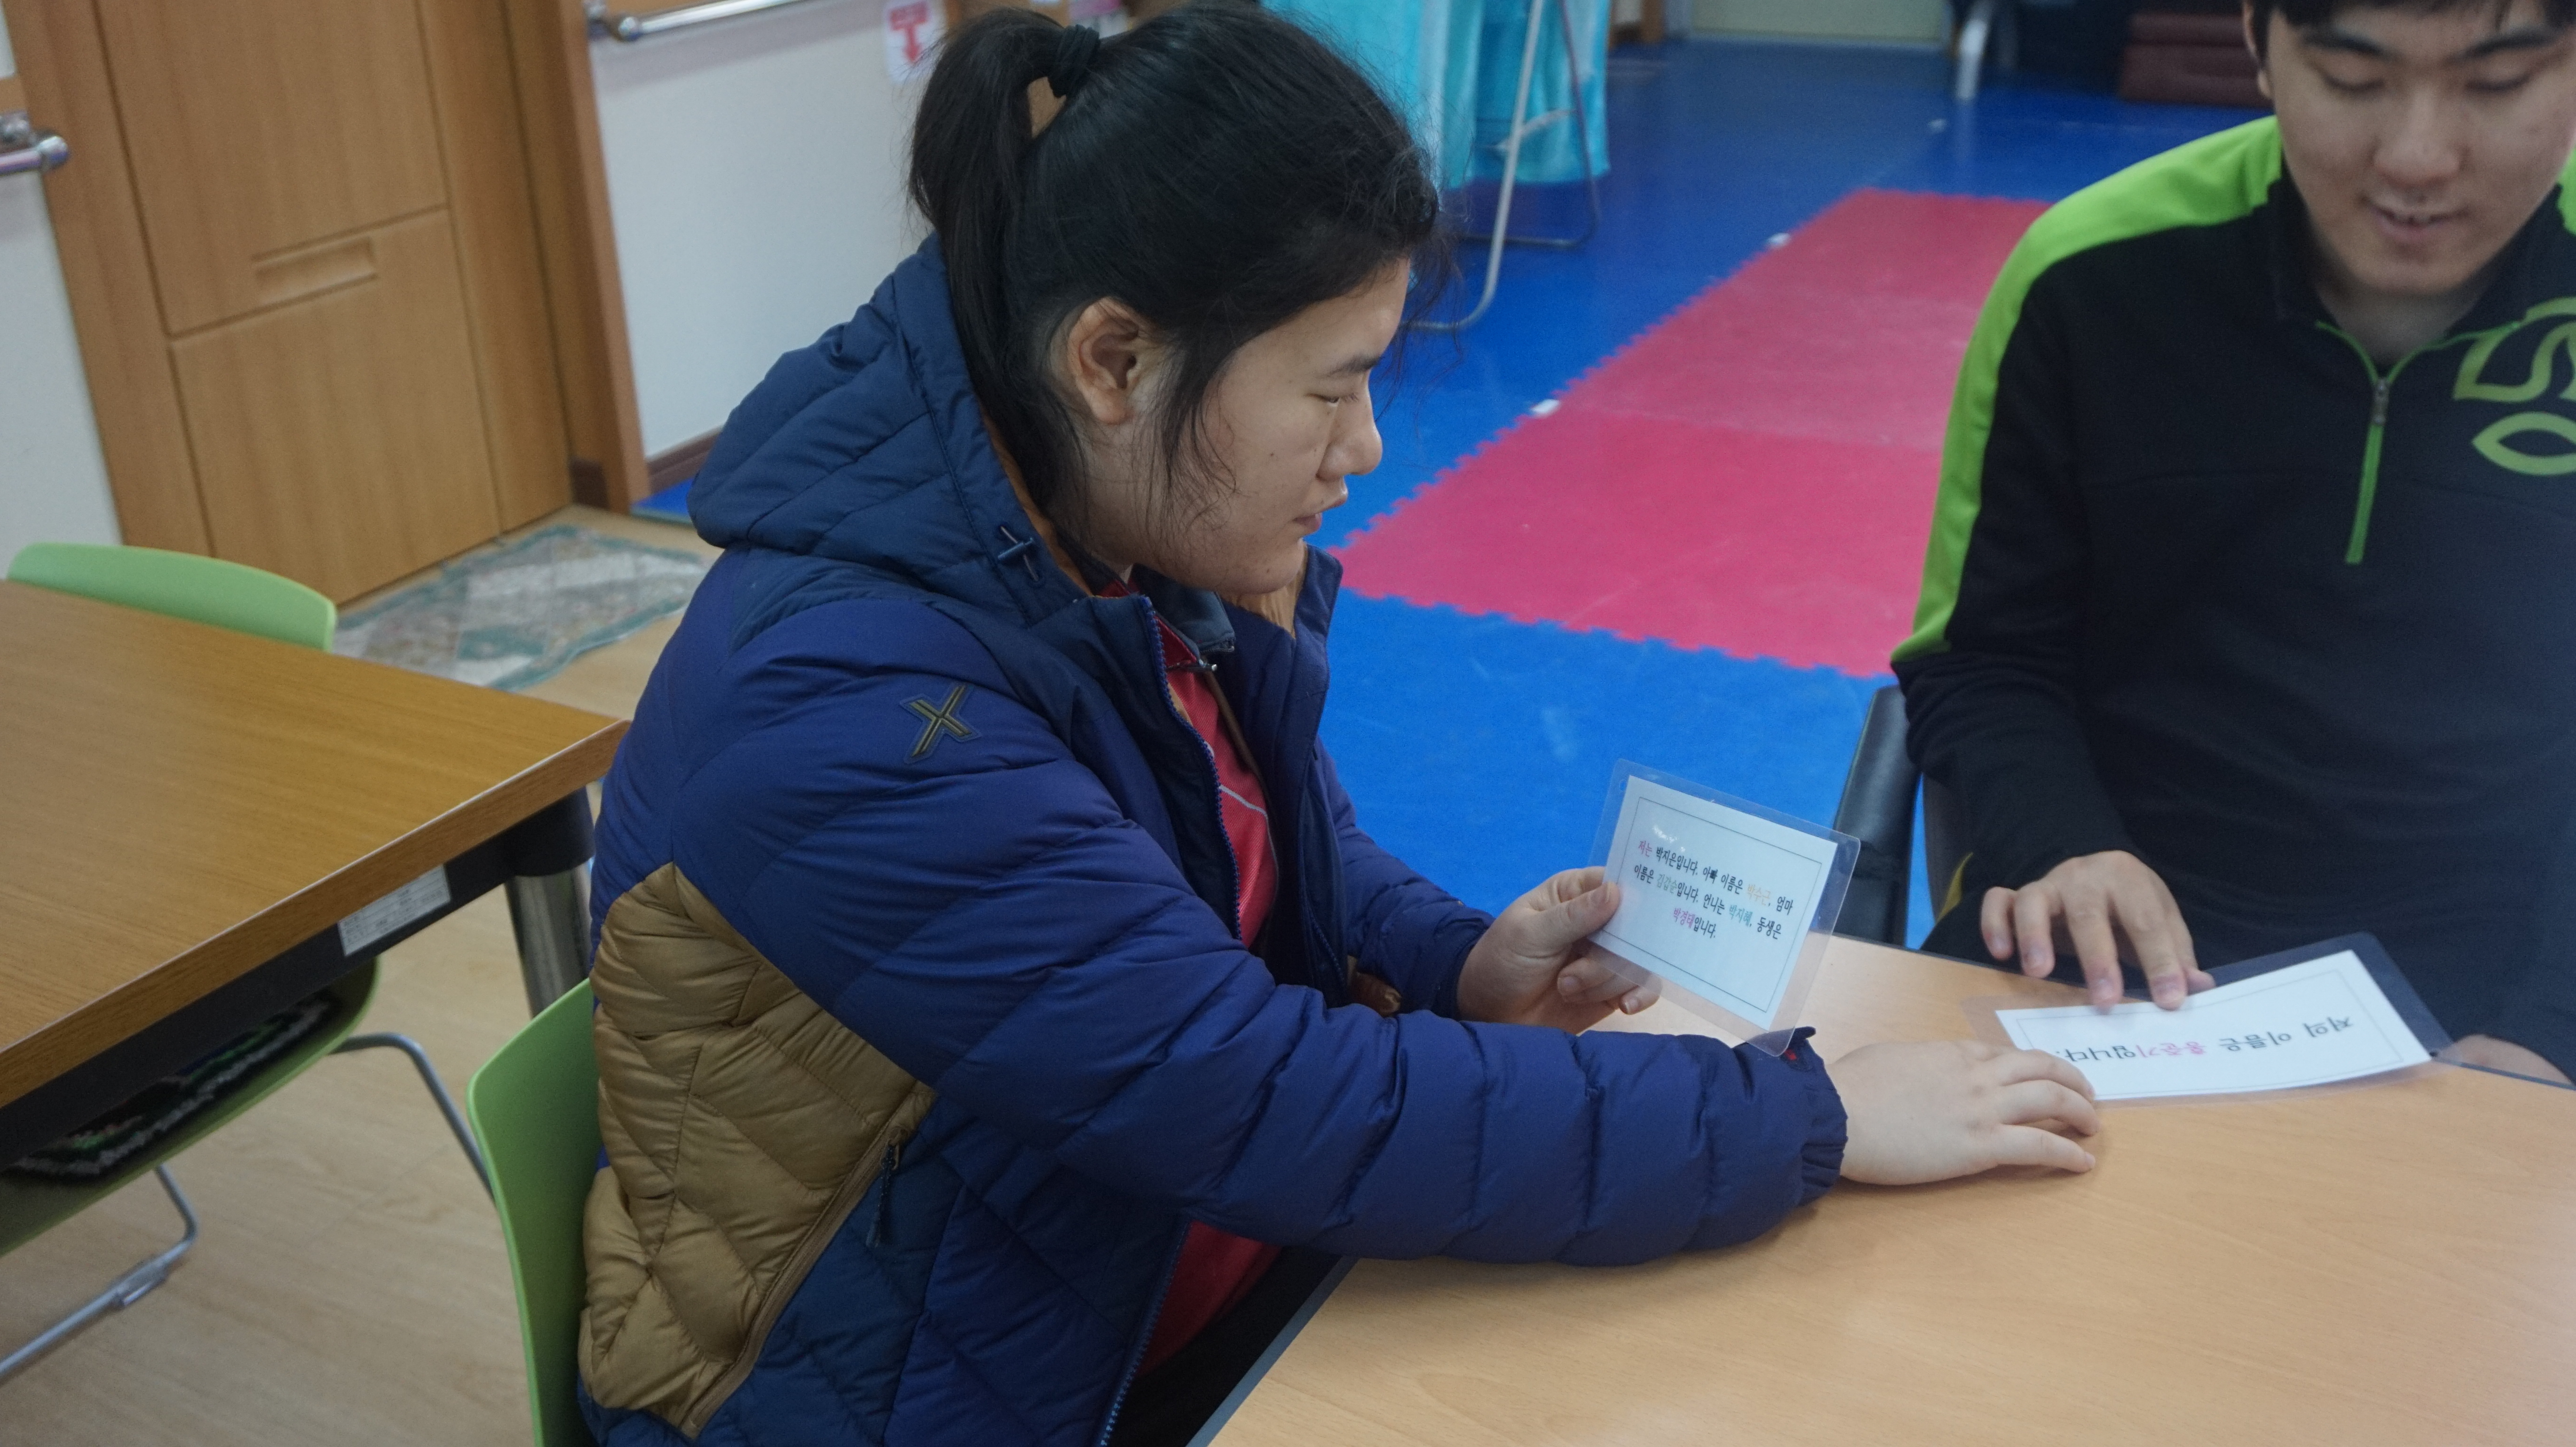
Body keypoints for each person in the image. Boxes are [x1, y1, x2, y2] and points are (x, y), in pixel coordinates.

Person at [574, 9, 2101, 1447]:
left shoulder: (1107, 516)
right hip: (940, 1391)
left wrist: (1449, 961)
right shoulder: (848, 709)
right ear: (1112, 361)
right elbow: (1258, 1098)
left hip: (1157, 1277)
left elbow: (1241, 843)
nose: (1364, 446)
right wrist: (1804, 1113)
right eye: (1333, 387)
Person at [1897, 0, 2576, 1083]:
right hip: (2118, 929)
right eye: (2352, 80)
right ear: (2259, 40)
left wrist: (2552, 1024)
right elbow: (1981, 657)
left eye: (2495, 86)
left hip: (2508, 955)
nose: (2416, 158)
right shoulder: (2089, 276)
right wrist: (2062, 844)